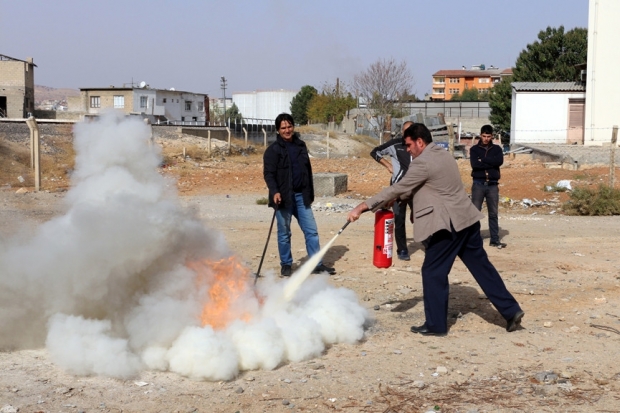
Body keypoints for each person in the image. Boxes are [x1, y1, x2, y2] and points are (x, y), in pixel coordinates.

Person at [347, 123, 524, 336]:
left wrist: (364, 206)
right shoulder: (444, 155)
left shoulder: (423, 163)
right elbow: (426, 187)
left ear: (420, 142)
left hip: (448, 225)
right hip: (467, 219)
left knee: (433, 272)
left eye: (410, 145)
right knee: (482, 268)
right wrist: (398, 199)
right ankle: (511, 310)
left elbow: (400, 186)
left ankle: (436, 325)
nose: (408, 149)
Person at [263, 113, 335, 277]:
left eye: (289, 126)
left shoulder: (301, 145)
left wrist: (309, 193)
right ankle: (286, 264)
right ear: (278, 130)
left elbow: (307, 171)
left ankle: (316, 264)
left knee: (311, 231)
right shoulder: (272, 151)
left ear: (293, 127)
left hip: (302, 196)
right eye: (283, 128)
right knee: (284, 233)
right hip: (283, 198)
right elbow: (268, 174)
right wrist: (274, 192)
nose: (287, 130)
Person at [370, 121, 413, 260]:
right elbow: (374, 152)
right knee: (399, 219)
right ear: (402, 131)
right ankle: (402, 250)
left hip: (416, 188)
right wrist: (387, 164)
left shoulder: (418, 146)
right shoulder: (395, 144)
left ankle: (429, 244)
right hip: (398, 188)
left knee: (421, 217)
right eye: (406, 130)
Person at [470, 124, 506, 248]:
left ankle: (494, 239)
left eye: (488, 136)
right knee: (475, 213)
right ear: (480, 135)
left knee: (493, 213)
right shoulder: (474, 149)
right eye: (484, 136)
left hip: (492, 184)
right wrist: (491, 162)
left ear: (492, 136)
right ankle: (474, 239)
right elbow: (475, 165)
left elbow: (499, 161)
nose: (486, 138)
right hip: (478, 183)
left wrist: (483, 160)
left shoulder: (497, 149)